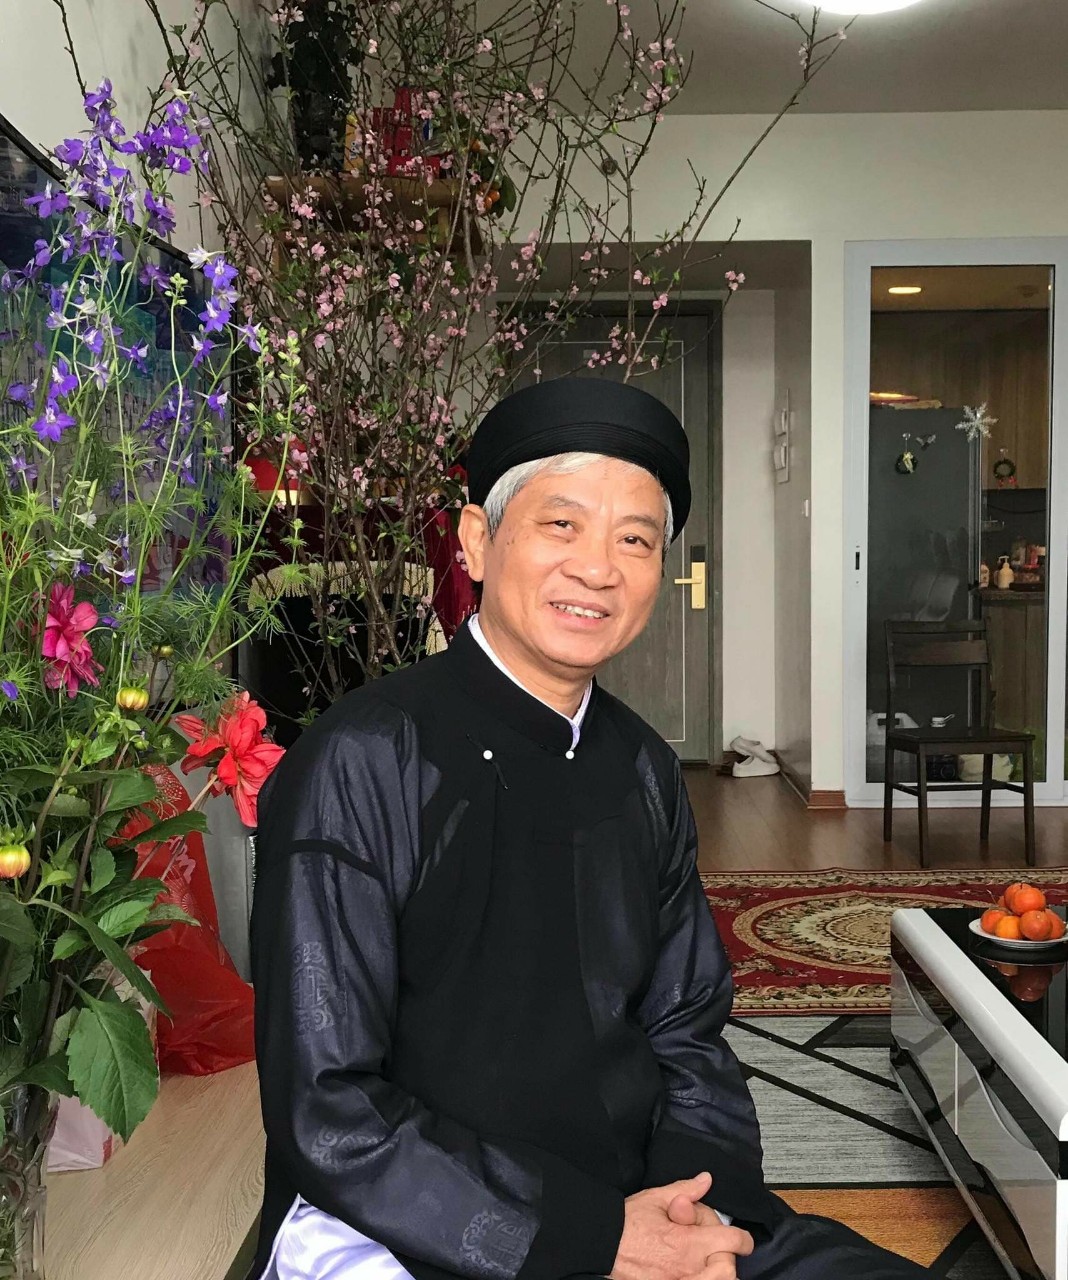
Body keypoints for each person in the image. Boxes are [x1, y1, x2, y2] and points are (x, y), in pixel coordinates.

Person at [249, 378, 930, 1280]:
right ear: (477, 542)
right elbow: (330, 1108)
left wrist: (695, 1213)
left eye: (635, 540)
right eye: (561, 525)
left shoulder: (645, 767)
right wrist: (595, 1240)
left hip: (648, 1197)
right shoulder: (359, 763)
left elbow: (687, 1030)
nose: (599, 569)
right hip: (431, 1221)